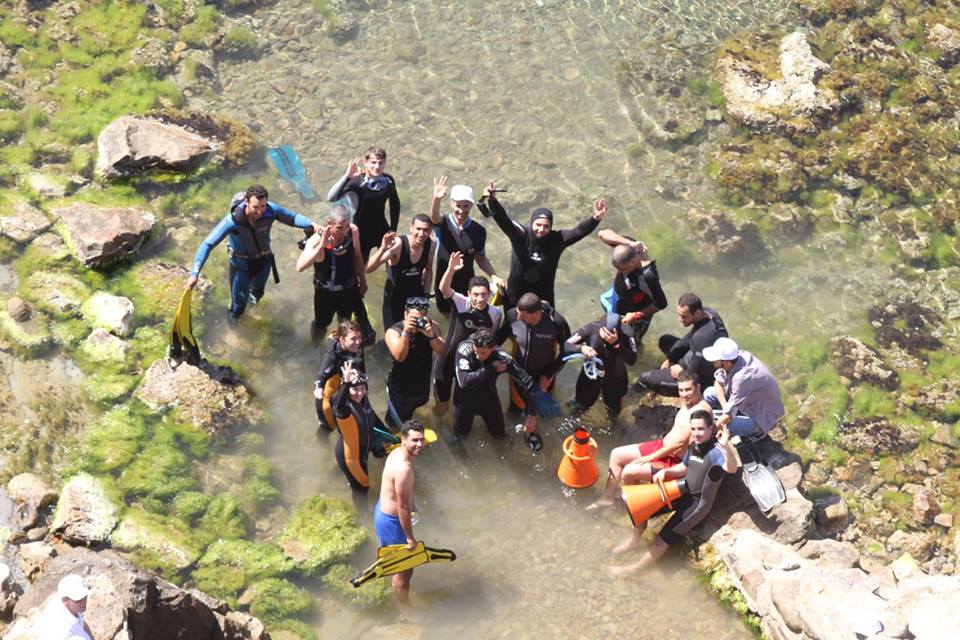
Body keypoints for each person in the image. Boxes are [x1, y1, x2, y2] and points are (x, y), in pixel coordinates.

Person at [611, 410, 738, 575]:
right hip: (681, 488)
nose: (696, 433)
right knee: (641, 510)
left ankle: (633, 570)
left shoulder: (717, 452)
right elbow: (684, 468)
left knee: (662, 539)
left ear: (710, 429)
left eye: (700, 429)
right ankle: (634, 540)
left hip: (696, 504)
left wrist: (726, 446)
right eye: (693, 429)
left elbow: (732, 468)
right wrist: (666, 472)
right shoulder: (694, 445)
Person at [187, 184, 318, 324]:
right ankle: (233, 330)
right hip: (241, 267)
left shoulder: (271, 210)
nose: (260, 211)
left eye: (263, 206)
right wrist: (194, 274)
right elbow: (207, 244)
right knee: (238, 306)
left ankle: (249, 312)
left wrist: (312, 224)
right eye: (256, 207)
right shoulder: (232, 221)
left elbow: (293, 218)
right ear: (246, 202)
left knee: (258, 294)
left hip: (264, 262)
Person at [587, 371, 711, 510]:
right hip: (663, 446)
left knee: (629, 471)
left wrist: (649, 457)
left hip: (675, 460)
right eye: (681, 390)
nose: (683, 394)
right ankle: (607, 498)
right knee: (617, 454)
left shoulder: (701, 410)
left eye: (688, 389)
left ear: (698, 387)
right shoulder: (688, 401)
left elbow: (681, 442)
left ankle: (634, 507)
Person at [484, 180, 606, 307]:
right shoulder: (520, 234)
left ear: (551, 226)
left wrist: (595, 218)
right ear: (532, 223)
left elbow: (579, 231)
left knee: (547, 326)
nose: (541, 229)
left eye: (546, 226)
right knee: (513, 325)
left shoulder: (557, 239)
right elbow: (504, 220)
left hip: (543, 297)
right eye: (538, 225)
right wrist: (492, 201)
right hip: (515, 294)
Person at [432, 251, 503, 415]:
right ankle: (439, 425)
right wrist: (451, 269)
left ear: (489, 294)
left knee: (463, 404)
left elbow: (492, 342)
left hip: (470, 366)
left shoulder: (495, 314)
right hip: (447, 362)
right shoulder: (461, 303)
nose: (480, 299)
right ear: (469, 293)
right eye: (476, 295)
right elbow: (444, 289)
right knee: (442, 405)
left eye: (484, 294)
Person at [296, 204, 373, 344]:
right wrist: (321, 246)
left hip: (348, 289)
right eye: (339, 227)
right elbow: (300, 267)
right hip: (325, 293)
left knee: (345, 323)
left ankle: (341, 348)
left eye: (346, 226)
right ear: (329, 224)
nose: (344, 231)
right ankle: (316, 345)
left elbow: (357, 256)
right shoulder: (316, 239)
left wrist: (363, 281)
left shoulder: (353, 231)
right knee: (321, 324)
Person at [453, 327, 540, 449]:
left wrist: (531, 415)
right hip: (464, 401)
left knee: (501, 438)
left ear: (493, 348)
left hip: (488, 400)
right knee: (460, 438)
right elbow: (464, 382)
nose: (478, 356)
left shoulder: (501, 357)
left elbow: (527, 381)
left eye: (483, 353)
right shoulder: (465, 349)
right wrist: (490, 368)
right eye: (476, 351)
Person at [429, 176, 504, 313]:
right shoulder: (443, 224)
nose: (461, 210)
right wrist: (436, 198)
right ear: (451, 203)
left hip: (467, 284)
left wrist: (493, 275)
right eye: (458, 205)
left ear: (471, 205)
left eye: (466, 206)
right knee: (445, 314)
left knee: (466, 316)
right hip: (444, 282)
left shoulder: (479, 231)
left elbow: (480, 258)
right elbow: (434, 218)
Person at [375, 419, 427, 605]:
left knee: (395, 561)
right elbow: (402, 507)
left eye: (422, 439)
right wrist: (410, 538)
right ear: (403, 439)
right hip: (391, 521)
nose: (420, 444)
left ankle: (388, 575)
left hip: (381, 512)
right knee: (406, 569)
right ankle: (405, 609)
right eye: (414, 440)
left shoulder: (396, 452)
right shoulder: (404, 469)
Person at [636, 293, 728, 396]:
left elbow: (693, 377)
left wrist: (680, 373)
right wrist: (669, 359)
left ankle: (633, 395)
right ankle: (662, 373)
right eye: (679, 315)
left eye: (684, 316)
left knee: (644, 378)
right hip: (695, 359)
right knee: (665, 340)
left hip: (702, 380)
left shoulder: (702, 337)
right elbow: (687, 340)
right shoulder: (708, 313)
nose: (680, 319)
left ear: (697, 313)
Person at [495, 292, 570, 413]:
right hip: (518, 373)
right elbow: (497, 341)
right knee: (516, 412)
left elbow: (567, 351)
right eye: (518, 313)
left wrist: (550, 375)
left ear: (536, 313)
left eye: (523, 316)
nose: (518, 318)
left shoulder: (556, 322)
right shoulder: (512, 316)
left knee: (546, 414)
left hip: (544, 375)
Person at [326, 146, 401, 260]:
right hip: (360, 232)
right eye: (373, 163)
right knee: (360, 264)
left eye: (381, 163)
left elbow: (395, 204)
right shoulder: (356, 182)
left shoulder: (388, 180)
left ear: (385, 163)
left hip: (381, 228)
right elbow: (331, 197)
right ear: (365, 162)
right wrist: (347, 176)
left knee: (393, 259)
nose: (377, 167)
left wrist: (393, 228)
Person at [702, 337, 785, 438]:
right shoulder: (737, 356)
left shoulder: (742, 378)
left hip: (760, 416)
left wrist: (710, 430)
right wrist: (725, 407)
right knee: (709, 393)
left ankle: (757, 432)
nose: (712, 361)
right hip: (747, 400)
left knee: (728, 425)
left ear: (726, 363)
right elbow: (718, 383)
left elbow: (728, 417)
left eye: (715, 359)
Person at [384, 297, 446, 429]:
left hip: (422, 386)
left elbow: (442, 351)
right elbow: (399, 356)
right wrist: (406, 333)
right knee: (395, 425)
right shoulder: (393, 332)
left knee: (420, 412)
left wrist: (431, 335)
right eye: (414, 318)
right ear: (405, 315)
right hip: (401, 390)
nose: (418, 322)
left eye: (422, 317)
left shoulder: (431, 326)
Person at [366, 214, 434, 330]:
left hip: (415, 295)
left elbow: (428, 270)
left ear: (430, 231)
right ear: (411, 228)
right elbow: (369, 269)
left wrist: (426, 295)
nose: (421, 234)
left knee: (416, 332)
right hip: (394, 297)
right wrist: (382, 248)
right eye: (418, 229)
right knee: (393, 332)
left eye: (425, 230)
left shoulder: (431, 244)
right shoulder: (398, 244)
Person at [564, 314, 638, 416]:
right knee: (582, 403)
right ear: (600, 327)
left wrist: (616, 344)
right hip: (592, 373)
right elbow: (567, 345)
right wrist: (581, 348)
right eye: (605, 333)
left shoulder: (627, 333)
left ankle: (615, 427)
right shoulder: (591, 328)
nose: (607, 337)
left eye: (610, 334)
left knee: (614, 407)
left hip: (615, 376)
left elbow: (632, 360)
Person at [599, 231, 667, 340]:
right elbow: (602, 234)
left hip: (636, 309)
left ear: (633, 261)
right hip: (619, 298)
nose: (619, 271)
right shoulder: (630, 248)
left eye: (622, 269)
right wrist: (629, 243)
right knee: (609, 331)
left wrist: (635, 315)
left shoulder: (648, 277)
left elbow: (661, 304)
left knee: (631, 339)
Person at [332, 361, 388, 492]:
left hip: (363, 448)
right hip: (350, 456)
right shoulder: (344, 409)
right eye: (355, 389)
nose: (359, 393)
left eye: (362, 388)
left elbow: (372, 416)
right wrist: (346, 382)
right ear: (346, 390)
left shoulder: (363, 400)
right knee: (362, 488)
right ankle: (362, 512)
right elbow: (338, 407)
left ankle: (333, 476)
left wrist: (387, 434)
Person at [314, 321, 365, 434]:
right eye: (353, 339)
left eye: (359, 337)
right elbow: (320, 377)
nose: (357, 342)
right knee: (328, 428)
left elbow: (361, 367)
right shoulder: (332, 356)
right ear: (342, 340)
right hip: (328, 398)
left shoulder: (356, 347)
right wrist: (318, 388)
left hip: (346, 388)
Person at [39, 574, 93, 640]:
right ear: (65, 600)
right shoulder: (61, 631)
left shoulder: (72, 608)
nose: (83, 602)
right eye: (78, 599)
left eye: (84, 597)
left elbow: (82, 623)